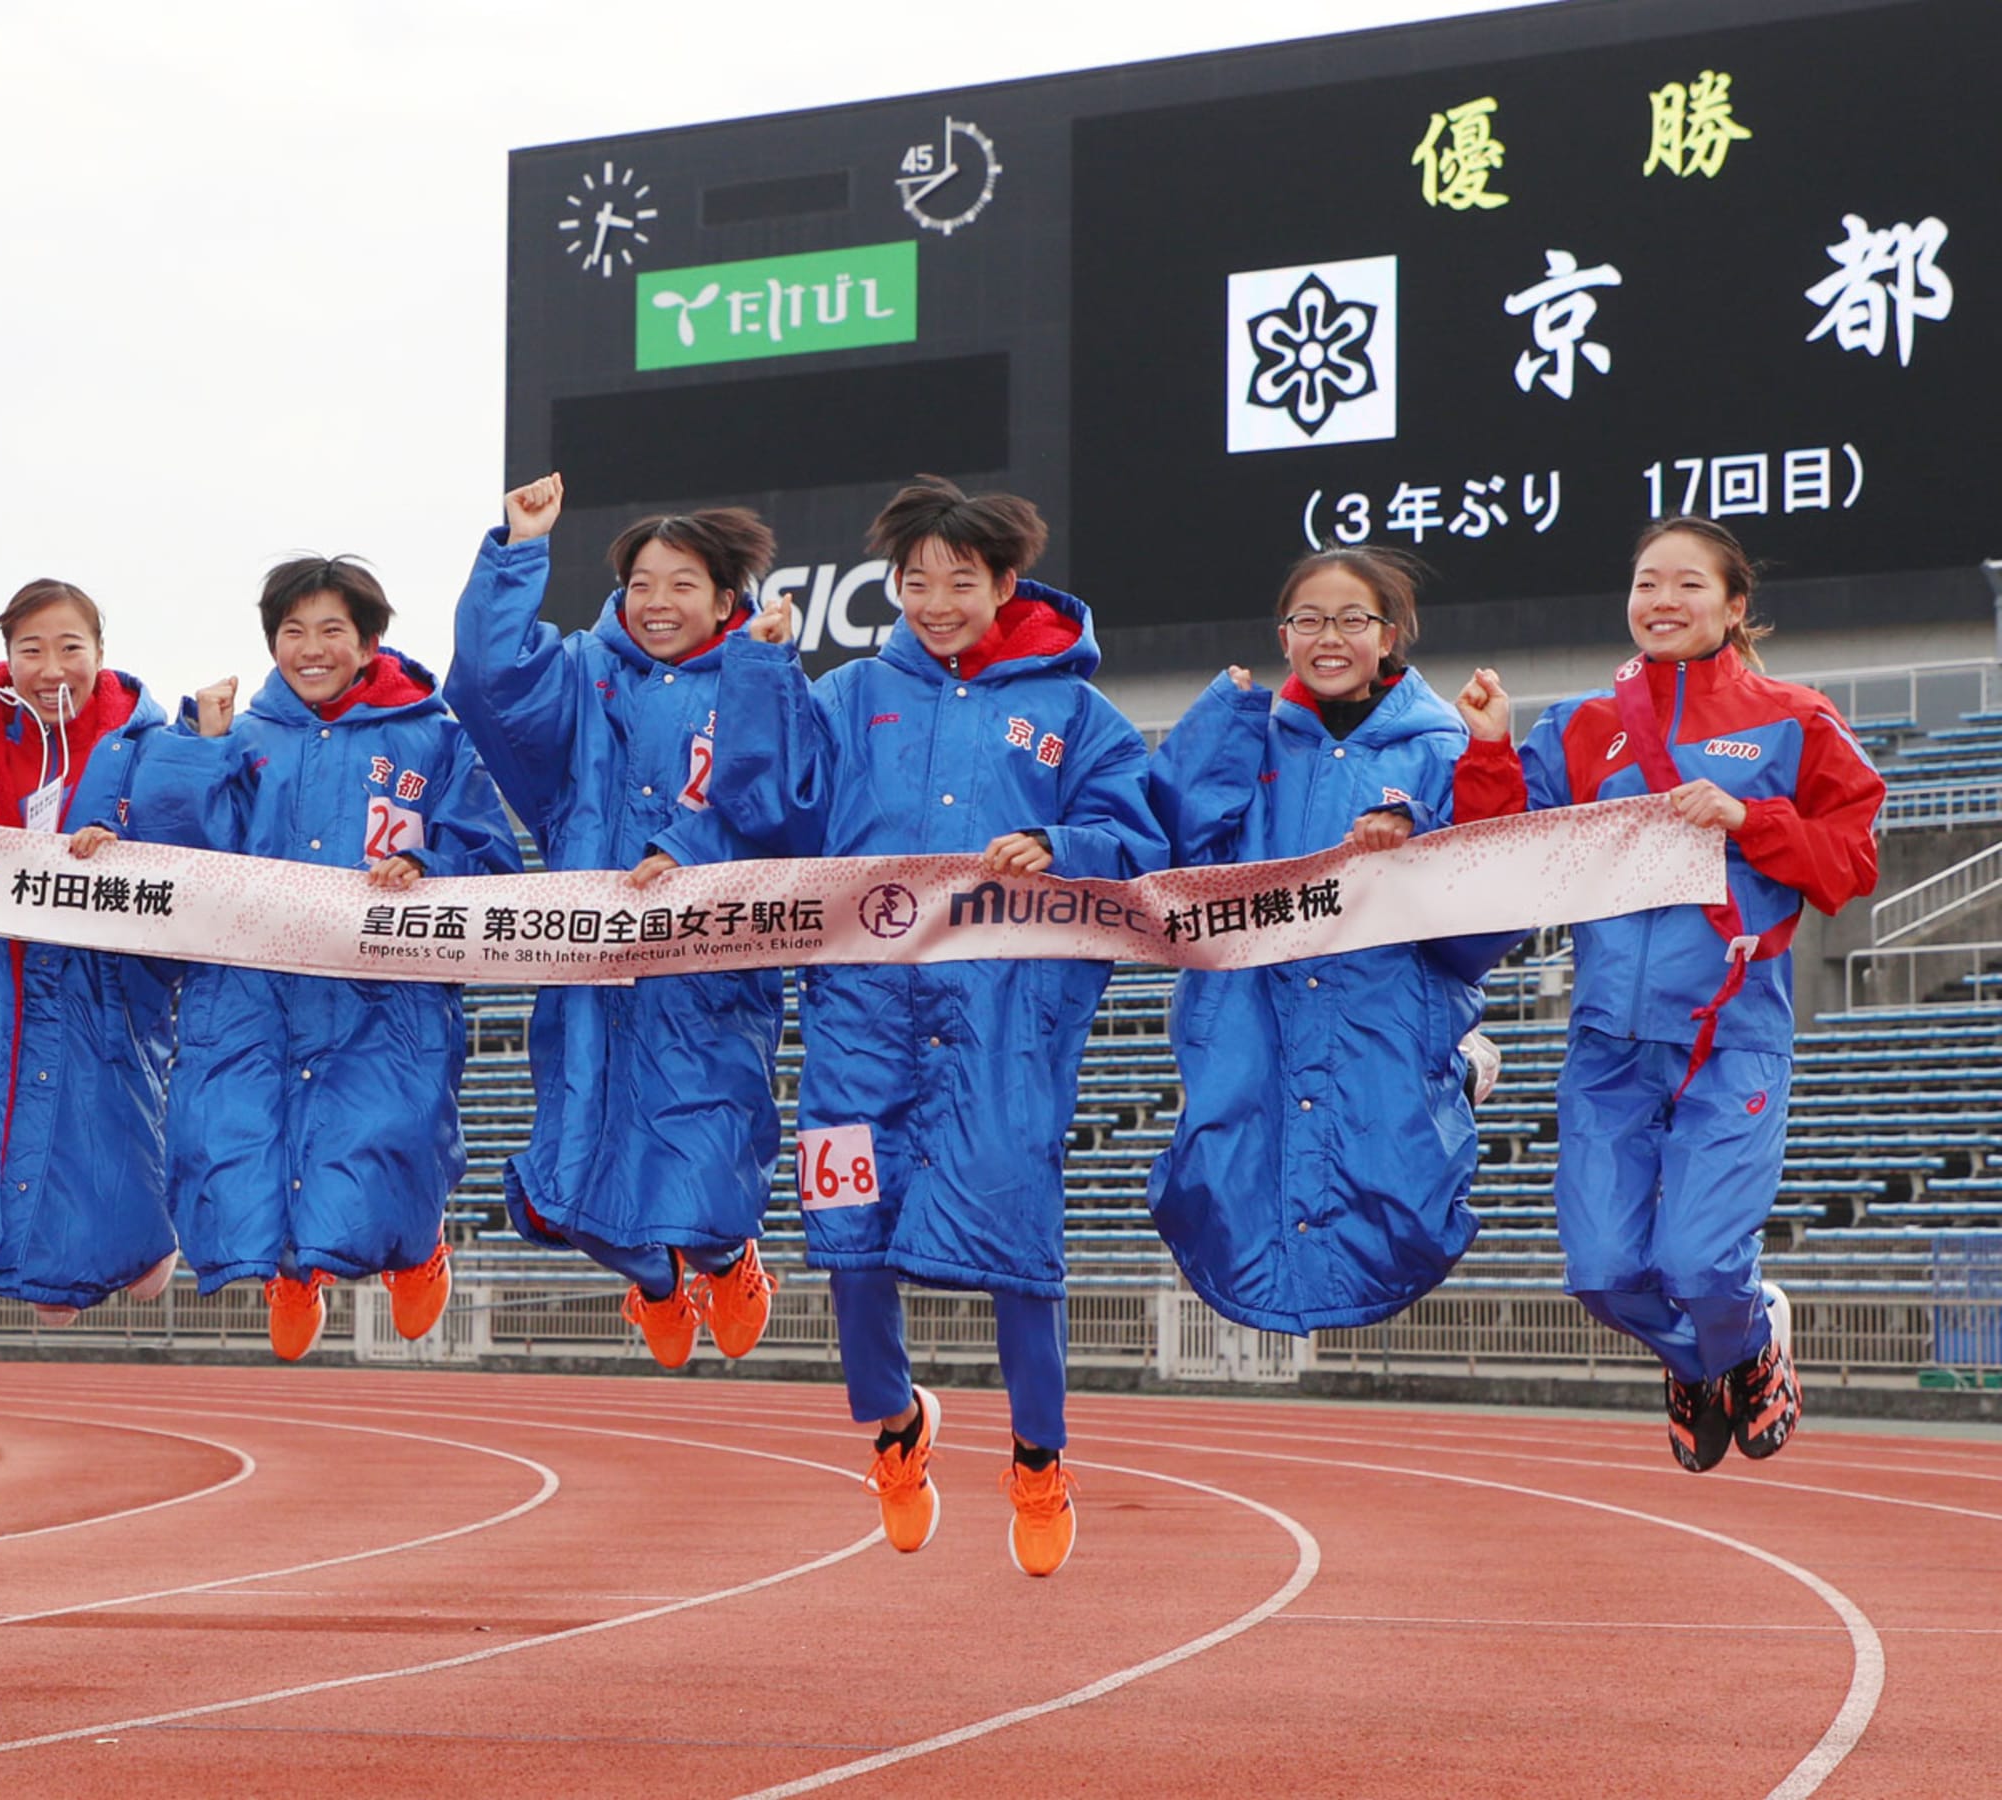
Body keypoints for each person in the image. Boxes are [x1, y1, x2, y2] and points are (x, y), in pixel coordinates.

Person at [695, 476, 1163, 1575]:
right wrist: (761, 671)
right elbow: (772, 810)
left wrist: (1063, 842)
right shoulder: (854, 694)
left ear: (1005, 583)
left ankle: (1039, 1458)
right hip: (856, 1011)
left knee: (1013, 1248)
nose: (936, 599)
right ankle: (893, 1425)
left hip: (1002, 1021)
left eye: (960, 579)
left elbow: (1138, 834)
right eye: (915, 580)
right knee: (845, 1235)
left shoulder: (1073, 715)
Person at [1454, 516, 1882, 1471]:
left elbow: (1852, 863)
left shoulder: (1797, 719)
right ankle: (1719, 1358)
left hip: (1731, 1037)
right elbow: (1497, 857)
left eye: (1690, 586)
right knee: (1603, 1276)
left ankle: (1741, 1333)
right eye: (1648, 582)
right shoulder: (1582, 726)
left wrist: (1750, 817)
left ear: (1735, 607)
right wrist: (1488, 748)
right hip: (1607, 1041)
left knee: (1698, 1264)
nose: (1663, 602)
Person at [128, 554, 521, 1359]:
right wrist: (199, 748)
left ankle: (418, 1247)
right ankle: (288, 1272)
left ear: (371, 639)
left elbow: (489, 859)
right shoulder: (237, 738)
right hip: (247, 996)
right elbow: (170, 850)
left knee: (384, 1139)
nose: (311, 648)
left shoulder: (434, 739)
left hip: (382, 1002)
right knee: (235, 1143)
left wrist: (427, 867)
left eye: (332, 630)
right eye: (292, 631)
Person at [445, 474, 790, 1369]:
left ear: (724, 597)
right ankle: (658, 1285)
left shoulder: (757, 674)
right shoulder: (583, 674)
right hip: (588, 979)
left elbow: (778, 799)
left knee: (707, 1175)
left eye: (682, 583)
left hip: (707, 989)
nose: (658, 602)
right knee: (569, 1182)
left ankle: (725, 1262)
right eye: (641, 582)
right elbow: (488, 684)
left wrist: (765, 671)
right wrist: (519, 551)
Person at [1143, 547, 1491, 1338]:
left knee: (1399, 1184)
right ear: (1283, 633)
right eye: (1308, 620)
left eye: (1351, 620)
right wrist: (1213, 724)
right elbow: (1179, 847)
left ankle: (1459, 1067)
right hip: (1249, 1008)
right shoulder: (1250, 735)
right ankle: (1463, 1070)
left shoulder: (1439, 747)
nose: (1328, 636)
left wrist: (1421, 828)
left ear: (1390, 634)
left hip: (1382, 1004)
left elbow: (1481, 889)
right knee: (1219, 1174)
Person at [0, 578, 180, 1321]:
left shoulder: (151, 748)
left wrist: (126, 849)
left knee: (112, 1125)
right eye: (31, 649)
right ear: (7, 658)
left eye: (70, 647)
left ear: (102, 654)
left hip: (110, 989)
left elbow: (187, 848)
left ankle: (125, 1248)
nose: (51, 667)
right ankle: (34, 1265)